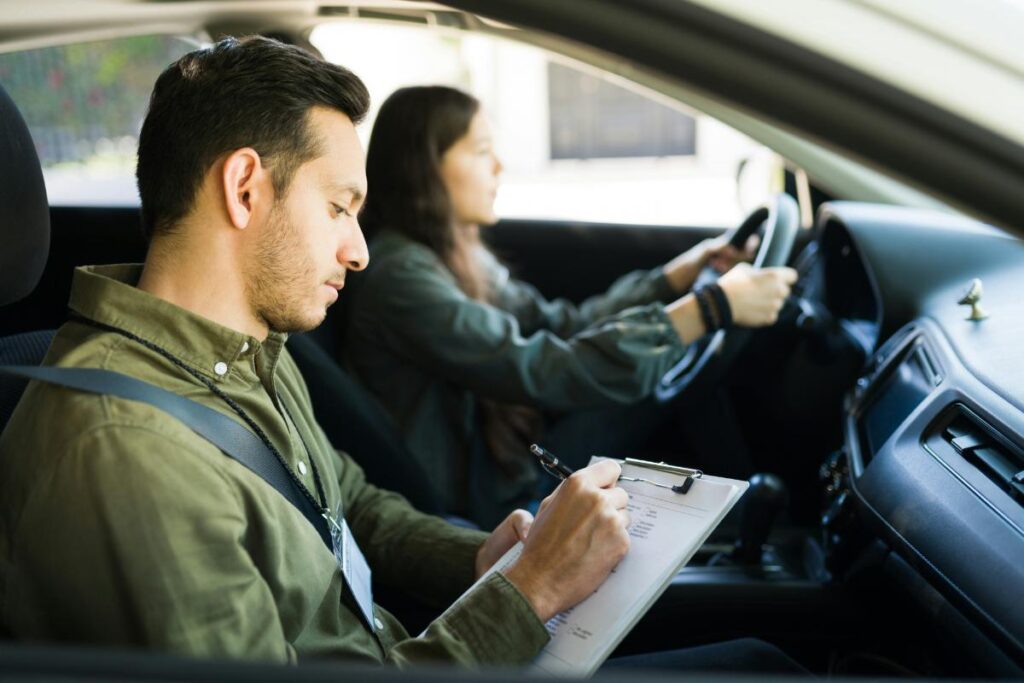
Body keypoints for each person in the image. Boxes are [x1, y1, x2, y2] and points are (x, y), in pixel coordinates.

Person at [344, 85, 798, 528]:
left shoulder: (456, 252)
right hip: (481, 501)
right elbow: (542, 368)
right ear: (425, 166)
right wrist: (707, 310)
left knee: (654, 379)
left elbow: (562, 324)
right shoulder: (402, 277)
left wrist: (674, 279)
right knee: (652, 384)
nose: (500, 166)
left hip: (506, 463)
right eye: (482, 152)